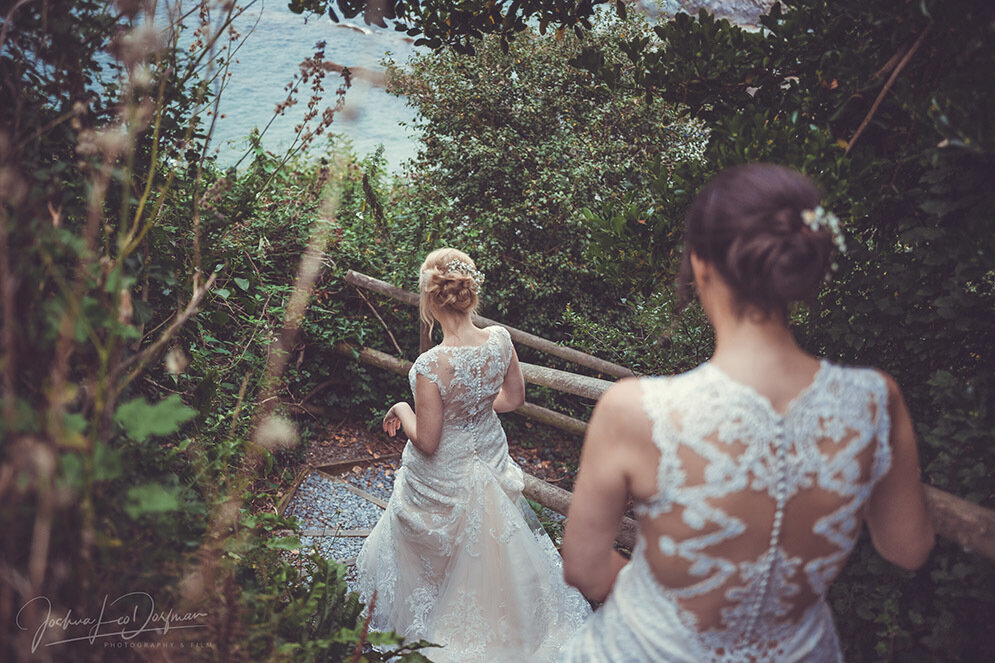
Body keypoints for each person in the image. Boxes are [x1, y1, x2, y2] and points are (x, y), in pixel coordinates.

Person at [557, 163, 935, 663]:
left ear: (701, 263)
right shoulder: (874, 400)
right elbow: (907, 547)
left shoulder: (636, 409)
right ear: (804, 264)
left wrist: (670, 603)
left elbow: (583, 568)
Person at [355, 248, 592, 662]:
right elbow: (514, 399)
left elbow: (427, 441)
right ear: (469, 293)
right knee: (490, 545)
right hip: (489, 453)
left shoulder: (431, 366)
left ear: (431, 300)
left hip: (445, 469)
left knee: (440, 546)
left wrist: (402, 409)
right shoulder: (500, 338)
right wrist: (475, 407)